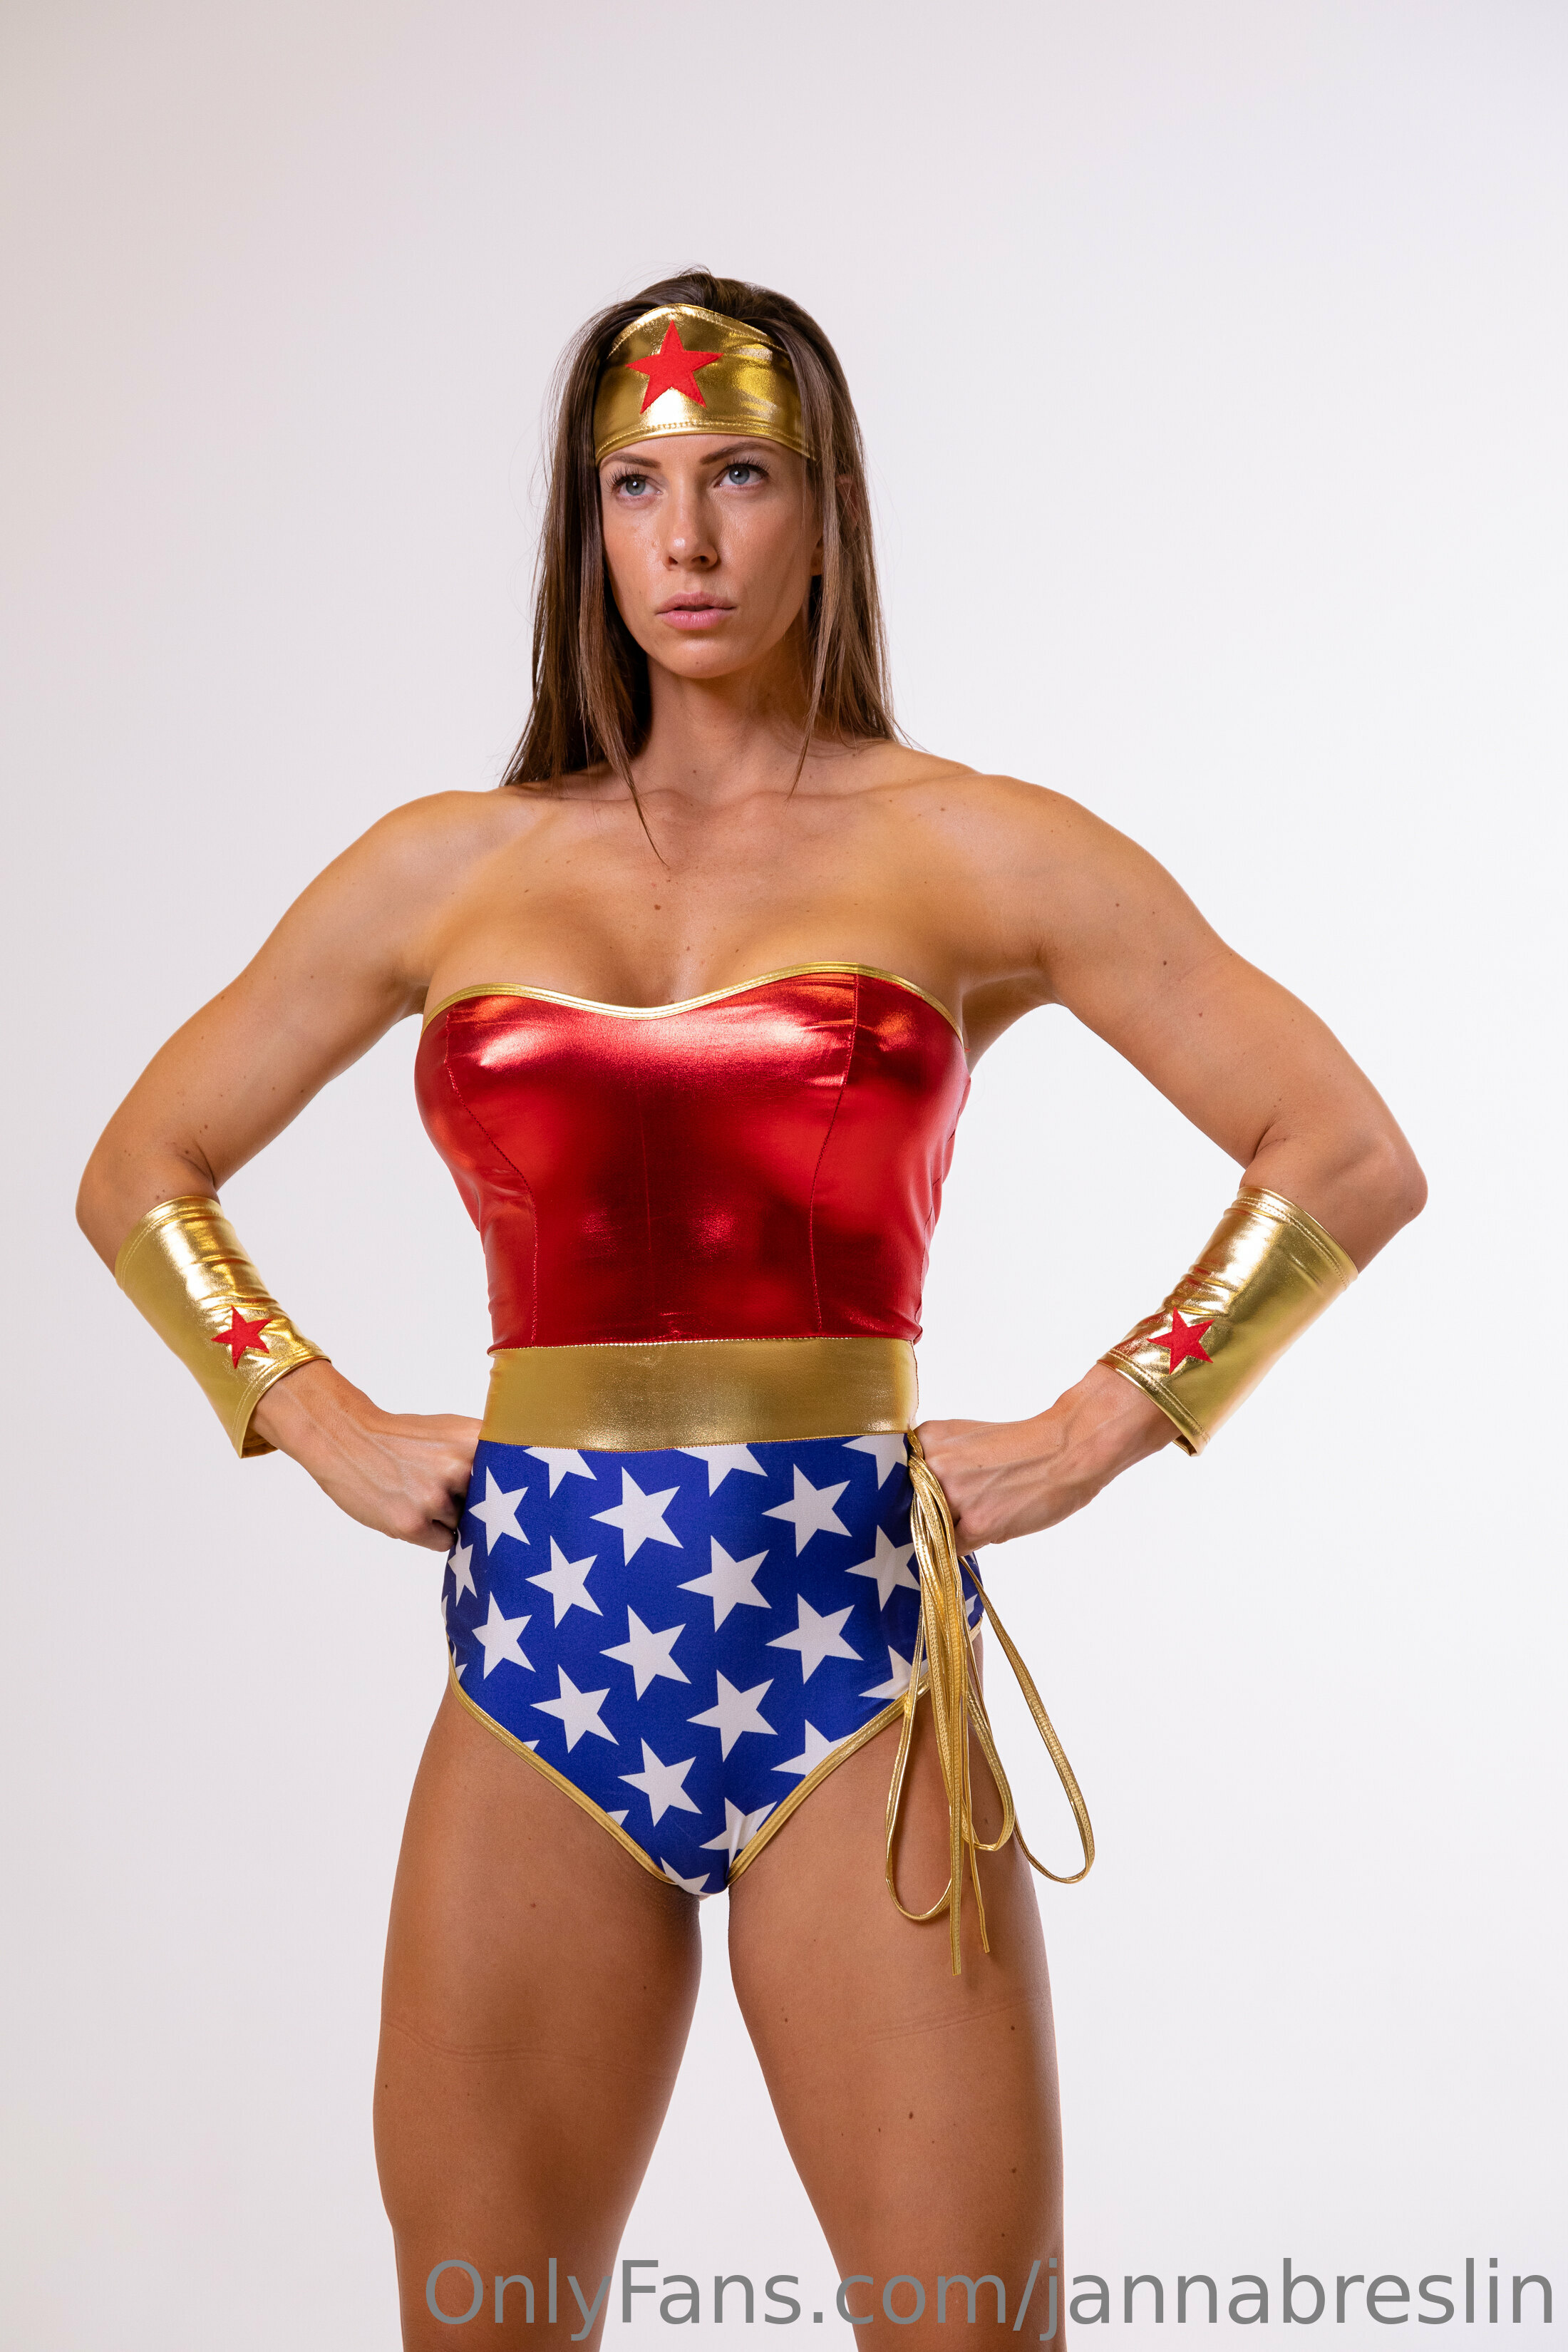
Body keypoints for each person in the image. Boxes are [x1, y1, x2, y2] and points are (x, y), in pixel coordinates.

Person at [77, 269, 1425, 2350]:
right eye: (636, 486)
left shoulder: (976, 845)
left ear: (829, 508)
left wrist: (1099, 1425)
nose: (688, 539)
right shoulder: (443, 867)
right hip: (542, 1652)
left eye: (742, 476)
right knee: (481, 2328)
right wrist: (308, 1408)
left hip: (855, 1655)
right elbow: (139, 1168)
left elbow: (1343, 1150)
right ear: (585, 525)